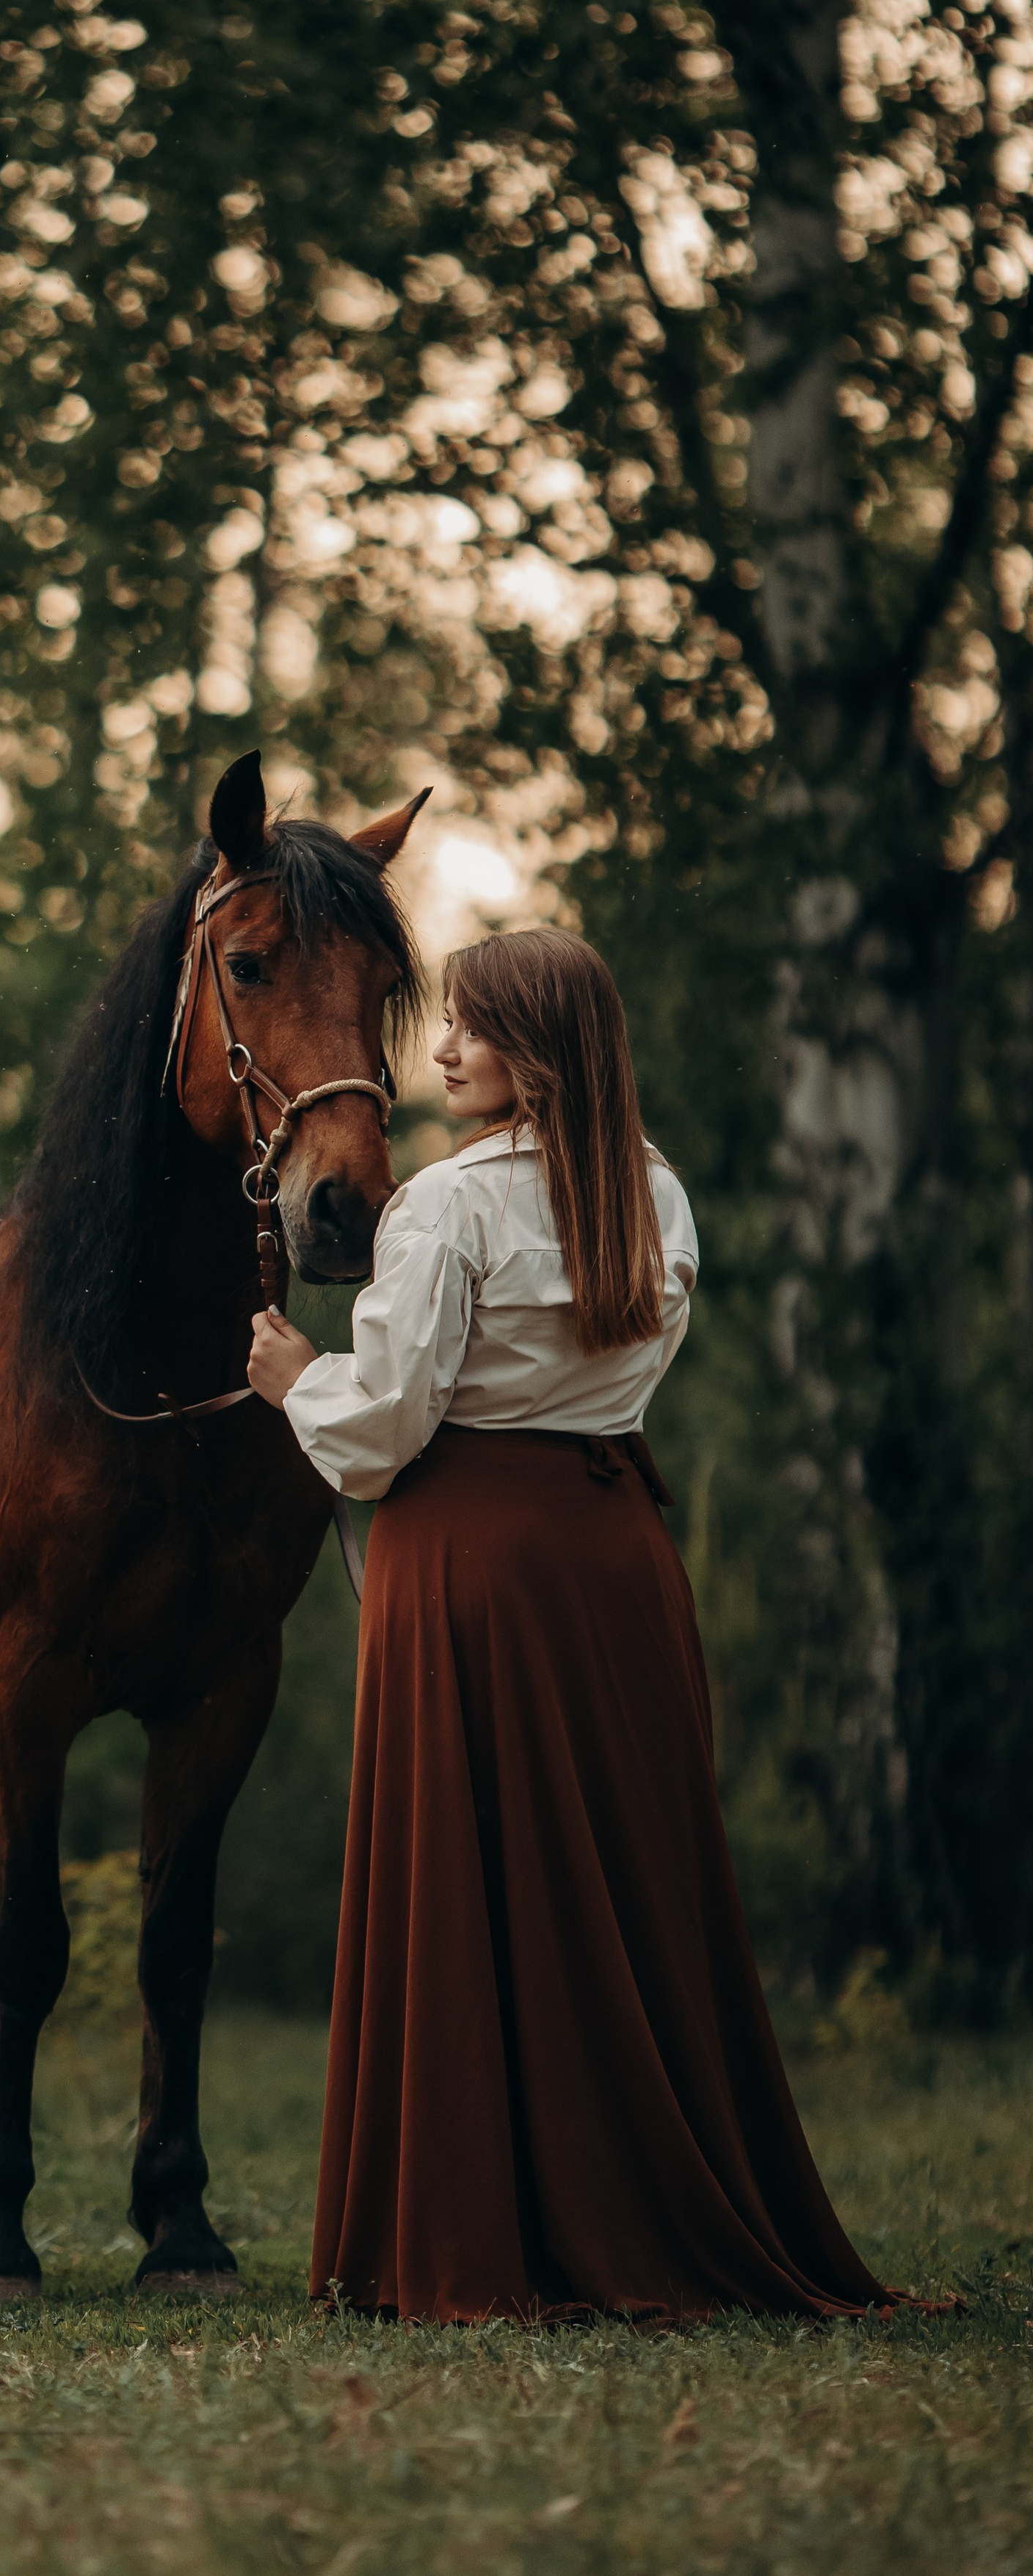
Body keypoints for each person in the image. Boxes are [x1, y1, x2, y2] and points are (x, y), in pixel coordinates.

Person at [246, 926, 896, 2323]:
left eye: (469, 1029)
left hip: (469, 1561)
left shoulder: (443, 1208)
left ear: (535, 1045)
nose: (442, 1051)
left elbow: (387, 1426)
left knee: (471, 1875)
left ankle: (482, 2223)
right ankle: (644, 2193)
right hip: (613, 1558)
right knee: (620, 1879)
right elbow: (608, 1381)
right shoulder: (653, 1192)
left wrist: (297, 1378)